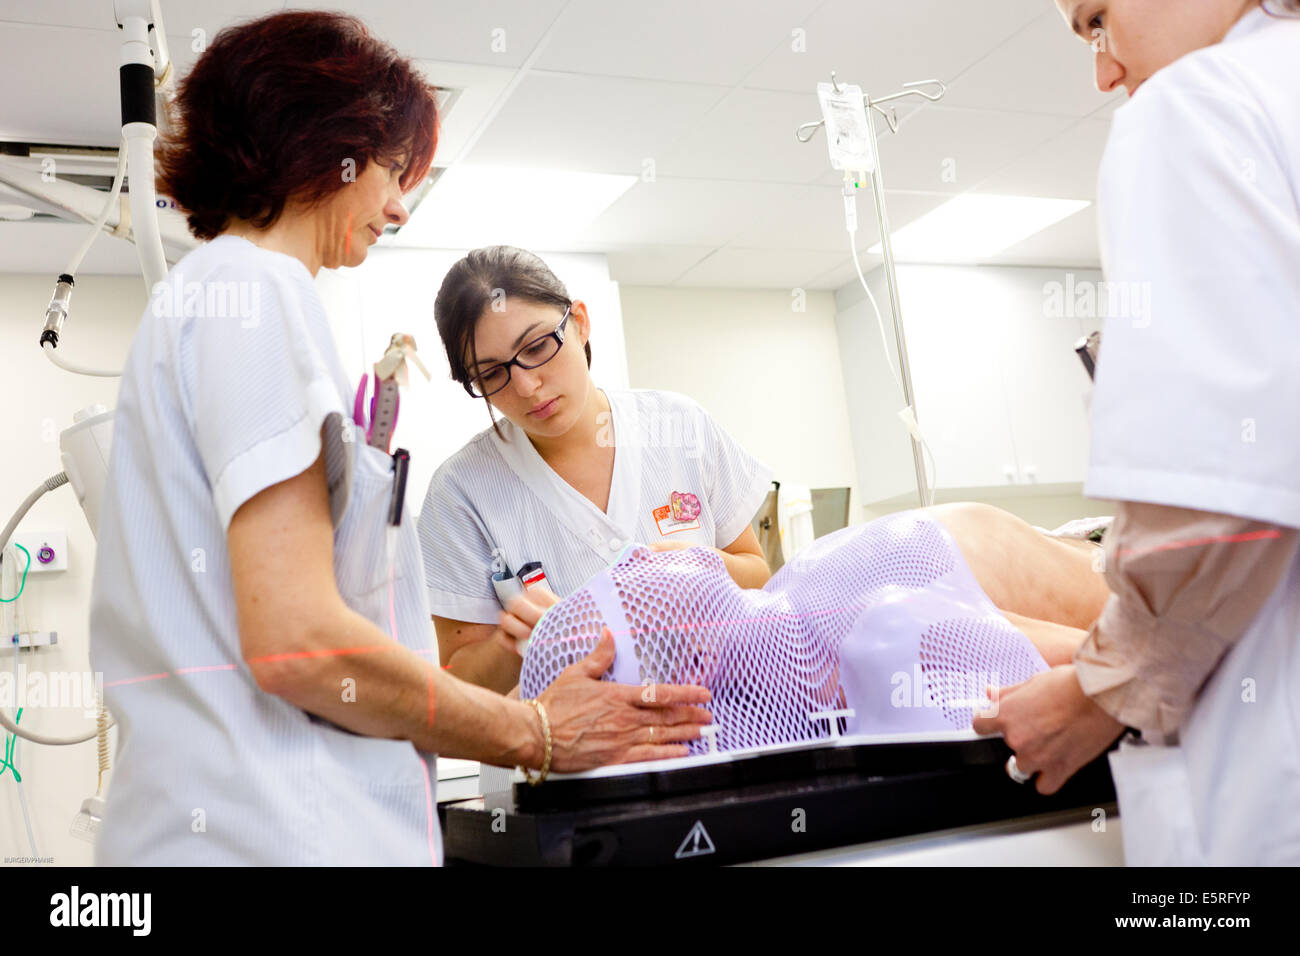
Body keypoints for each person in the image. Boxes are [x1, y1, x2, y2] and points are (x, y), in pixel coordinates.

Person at [88, 11, 711, 866]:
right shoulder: (252, 289)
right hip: (266, 838)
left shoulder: (214, 300)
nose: (399, 204)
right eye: (388, 168)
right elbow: (301, 643)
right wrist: (533, 730)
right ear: (321, 142)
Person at [974, 0, 1300, 865]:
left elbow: (1219, 501)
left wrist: (1098, 691)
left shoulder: (1197, 104)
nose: (1103, 71)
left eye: (1097, 20)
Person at [419, 246, 774, 695]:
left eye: (537, 346)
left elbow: (759, 575)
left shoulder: (678, 425)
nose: (527, 386)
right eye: (491, 374)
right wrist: (521, 640)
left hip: (714, 733)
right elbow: (459, 682)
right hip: (561, 759)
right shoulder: (460, 493)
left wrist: (696, 571)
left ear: (580, 323)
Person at [516, 503, 1114, 750]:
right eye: (627, 587)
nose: (637, 557)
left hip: (1074, 551)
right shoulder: (882, 634)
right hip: (1109, 573)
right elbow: (1122, 659)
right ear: (693, 665)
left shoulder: (789, 626)